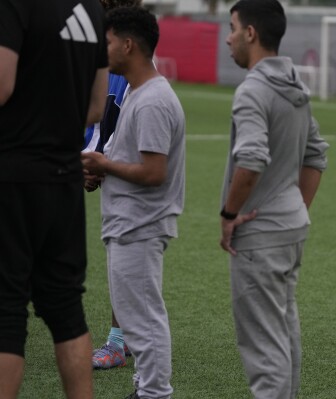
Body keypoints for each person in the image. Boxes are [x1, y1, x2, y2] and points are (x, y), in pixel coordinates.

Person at [220, 0, 329, 397]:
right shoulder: (296, 85)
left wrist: (229, 214)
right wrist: (295, 206)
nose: (228, 36)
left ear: (250, 33)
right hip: (290, 228)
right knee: (283, 334)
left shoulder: (253, 89)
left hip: (260, 233)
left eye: (232, 26)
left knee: (264, 350)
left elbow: (250, 160)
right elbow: (316, 155)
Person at [0, 0, 108, 397]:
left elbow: (2, 83)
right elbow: (96, 106)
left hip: (12, 175)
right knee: (65, 309)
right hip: (64, 179)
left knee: (6, 310)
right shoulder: (93, 9)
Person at [81, 6, 185, 399]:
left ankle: (155, 393)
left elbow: (154, 172)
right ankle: (145, 387)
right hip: (128, 222)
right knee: (138, 317)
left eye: (107, 41)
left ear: (127, 44)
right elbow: (136, 161)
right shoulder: (141, 94)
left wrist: (105, 164)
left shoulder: (153, 99)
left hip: (141, 224)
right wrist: (104, 168)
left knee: (145, 319)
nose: (101, 49)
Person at [84, 0, 143, 371]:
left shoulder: (140, 77)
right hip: (104, 167)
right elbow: (98, 118)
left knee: (129, 261)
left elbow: (150, 161)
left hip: (127, 183)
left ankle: (121, 342)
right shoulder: (106, 59)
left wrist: (100, 163)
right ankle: (127, 339)